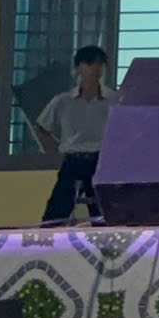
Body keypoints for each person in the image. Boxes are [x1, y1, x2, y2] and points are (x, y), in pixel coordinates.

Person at [32, 45, 116, 225]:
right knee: (56, 213)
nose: (95, 68)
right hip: (73, 159)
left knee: (104, 214)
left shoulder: (113, 100)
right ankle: (47, 240)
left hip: (101, 161)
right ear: (78, 67)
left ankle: (108, 241)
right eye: (90, 63)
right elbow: (42, 128)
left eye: (99, 64)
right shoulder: (63, 100)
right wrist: (56, 149)